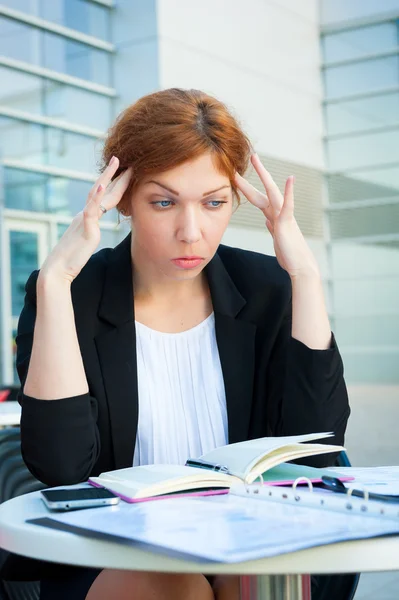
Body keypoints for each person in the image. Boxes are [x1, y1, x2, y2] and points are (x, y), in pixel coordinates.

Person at [14, 88, 350, 599]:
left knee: (259, 579)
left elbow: (317, 453)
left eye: (214, 203)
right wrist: (56, 280)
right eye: (164, 202)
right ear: (121, 197)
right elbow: (61, 467)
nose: (191, 232)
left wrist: (305, 275)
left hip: (249, 538)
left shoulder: (267, 287)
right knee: (176, 587)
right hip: (113, 551)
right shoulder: (68, 295)